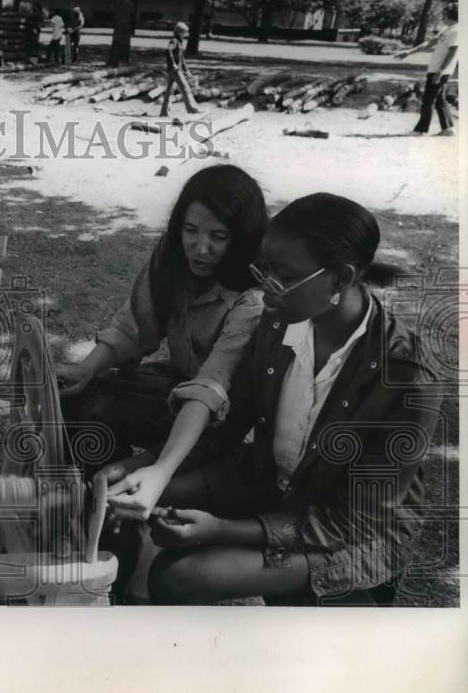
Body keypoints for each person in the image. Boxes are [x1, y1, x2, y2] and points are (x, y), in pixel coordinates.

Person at [105, 194, 441, 605]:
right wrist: (144, 469)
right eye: (263, 269)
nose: (265, 288)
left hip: (352, 534)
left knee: (179, 577)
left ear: (340, 278)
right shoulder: (280, 319)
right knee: (126, 498)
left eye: (283, 275)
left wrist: (221, 530)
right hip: (272, 482)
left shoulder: (407, 376)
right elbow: (228, 426)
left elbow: (356, 521)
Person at [394, 4, 458, 136]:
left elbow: (453, 51)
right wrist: (409, 52)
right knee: (440, 100)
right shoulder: (447, 30)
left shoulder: (456, 30)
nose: (442, 16)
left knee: (428, 100)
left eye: (444, 13)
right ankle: (448, 129)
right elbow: (429, 43)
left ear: (450, 14)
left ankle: (420, 130)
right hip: (437, 69)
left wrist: (440, 71)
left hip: (440, 71)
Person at [160, 21, 200, 117]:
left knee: (169, 91)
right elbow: (168, 50)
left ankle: (164, 112)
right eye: (184, 32)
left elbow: (182, 58)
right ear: (179, 32)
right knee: (186, 88)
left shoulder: (179, 42)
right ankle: (193, 109)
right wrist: (173, 64)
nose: (186, 34)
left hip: (175, 70)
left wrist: (187, 70)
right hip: (175, 70)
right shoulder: (174, 41)